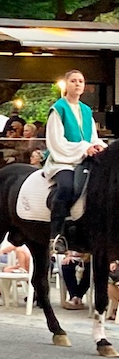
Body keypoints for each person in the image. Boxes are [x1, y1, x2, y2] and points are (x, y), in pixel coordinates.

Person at [45, 69, 106, 253]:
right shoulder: (58, 108)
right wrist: (82, 148)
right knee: (66, 187)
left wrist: (99, 146)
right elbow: (56, 140)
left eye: (80, 81)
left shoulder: (87, 110)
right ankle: (56, 234)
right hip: (62, 160)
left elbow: (93, 137)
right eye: (73, 81)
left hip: (83, 158)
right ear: (67, 85)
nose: (77, 84)